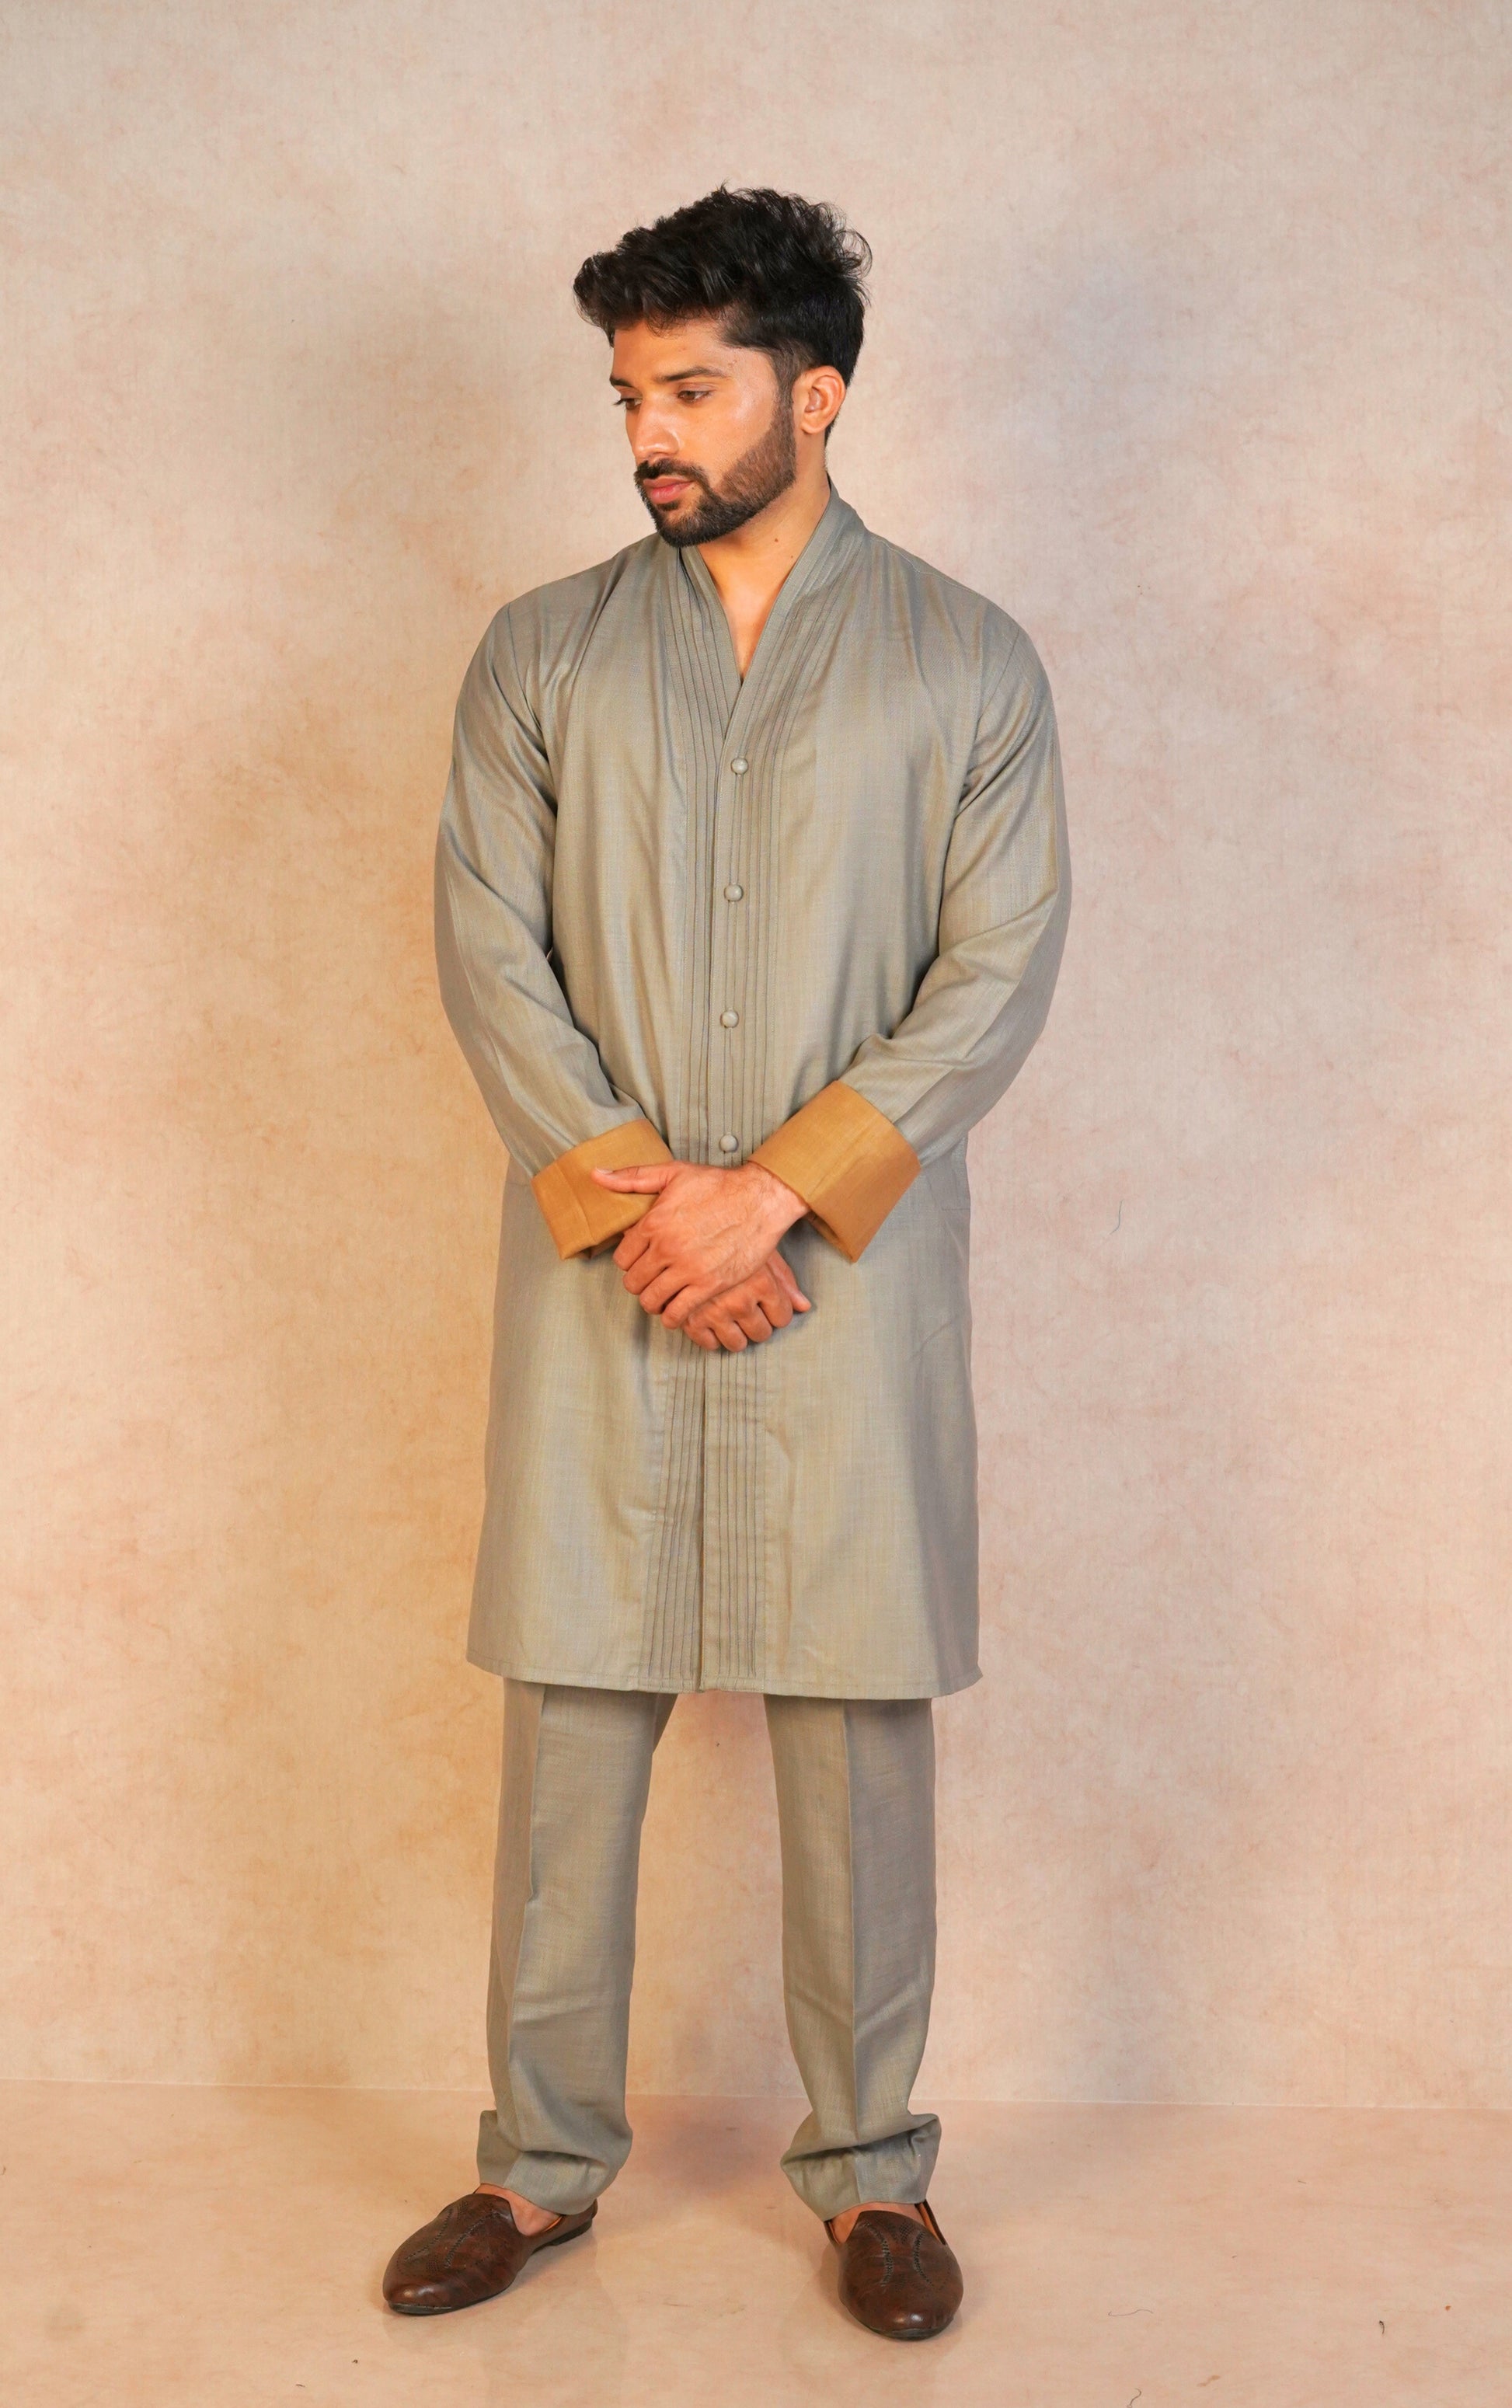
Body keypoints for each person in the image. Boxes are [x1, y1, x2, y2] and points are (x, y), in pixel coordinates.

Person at [382, 186, 1070, 2342]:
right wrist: (637, 1191)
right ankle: (534, 2165)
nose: (648, 434)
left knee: (856, 1714)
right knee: (575, 1704)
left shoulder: (966, 659)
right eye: (626, 396)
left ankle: (873, 2180)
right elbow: (489, 948)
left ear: (817, 391)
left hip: (843, 1275)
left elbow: (996, 969)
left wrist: (772, 1192)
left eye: (689, 388)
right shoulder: (542, 653)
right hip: (602, 1268)